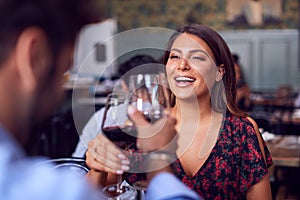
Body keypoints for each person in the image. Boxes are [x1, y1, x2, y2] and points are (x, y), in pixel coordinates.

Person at [0, 0, 200, 199]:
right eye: (64, 71)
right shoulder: (54, 191)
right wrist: (160, 157)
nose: (61, 93)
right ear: (34, 57)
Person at [86, 24, 273, 199]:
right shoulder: (142, 127)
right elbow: (91, 192)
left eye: (197, 57)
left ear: (219, 72)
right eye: (174, 57)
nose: (182, 65)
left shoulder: (242, 131)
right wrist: (97, 168)